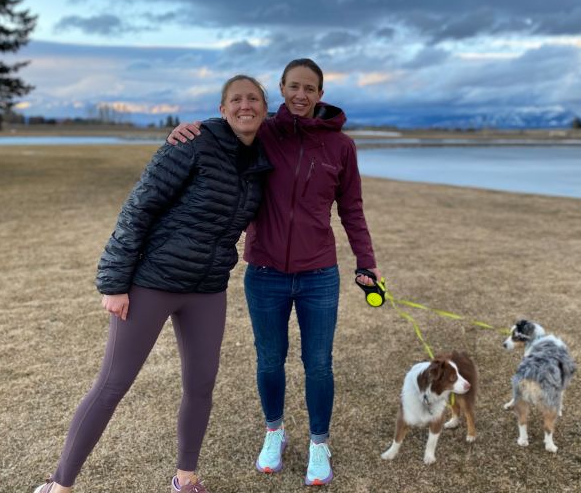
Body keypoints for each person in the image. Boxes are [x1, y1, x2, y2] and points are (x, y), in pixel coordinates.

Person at [33, 75, 273, 493]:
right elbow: (138, 207)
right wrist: (114, 283)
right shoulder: (192, 142)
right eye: (236, 99)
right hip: (153, 282)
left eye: (253, 99)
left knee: (201, 385)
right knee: (113, 384)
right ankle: (60, 485)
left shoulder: (260, 162)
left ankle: (186, 478)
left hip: (208, 288)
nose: (245, 105)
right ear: (222, 109)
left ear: (265, 110)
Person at [168, 58, 380, 486]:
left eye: (309, 88)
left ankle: (319, 443)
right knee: (269, 360)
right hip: (265, 272)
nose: (301, 95)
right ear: (281, 89)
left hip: (319, 273)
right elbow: (229, 124)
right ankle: (274, 432)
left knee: (318, 363)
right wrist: (188, 130)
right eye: (293, 86)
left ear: (320, 94)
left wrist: (366, 262)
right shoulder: (262, 134)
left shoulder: (341, 147)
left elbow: (352, 209)